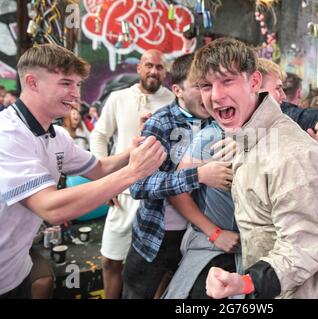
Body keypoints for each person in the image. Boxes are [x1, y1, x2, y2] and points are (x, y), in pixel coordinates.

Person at [190, 38, 318, 299]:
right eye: (206, 85)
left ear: (254, 82)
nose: (215, 96)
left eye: (227, 81)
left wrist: (244, 283)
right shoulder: (249, 137)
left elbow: (302, 249)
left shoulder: (289, 154)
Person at [0, 44, 166, 298]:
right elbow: (51, 208)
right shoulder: (8, 134)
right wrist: (133, 172)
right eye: (66, 83)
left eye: (77, 85)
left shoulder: (56, 135)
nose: (75, 94)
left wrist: (131, 154)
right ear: (32, 82)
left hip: (15, 269)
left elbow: (98, 168)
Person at [122, 54, 234, 299]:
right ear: (177, 90)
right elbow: (139, 186)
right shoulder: (160, 123)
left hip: (198, 236)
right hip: (158, 235)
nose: (210, 95)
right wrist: (199, 175)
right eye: (200, 86)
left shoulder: (219, 121)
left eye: (211, 85)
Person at [89, 49, 174, 299]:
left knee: (158, 267)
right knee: (111, 260)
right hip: (122, 192)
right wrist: (103, 180)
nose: (153, 71)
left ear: (164, 72)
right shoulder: (118, 98)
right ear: (139, 68)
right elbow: (99, 135)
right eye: (149, 65)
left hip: (158, 196)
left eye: (159, 67)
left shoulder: (172, 101)